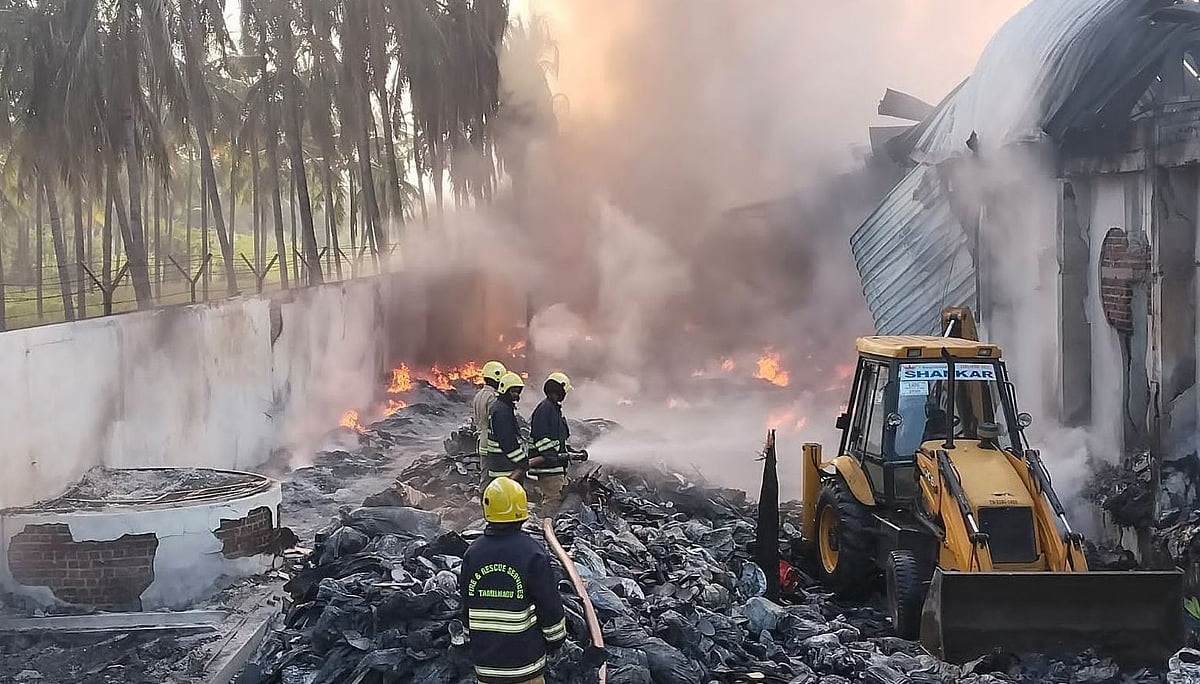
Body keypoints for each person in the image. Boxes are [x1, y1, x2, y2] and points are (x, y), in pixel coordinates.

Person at [460, 478, 567, 684]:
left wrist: (469, 639)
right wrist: (556, 639)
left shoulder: (473, 554)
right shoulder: (532, 553)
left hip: (486, 667)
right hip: (526, 666)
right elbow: (548, 605)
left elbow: (466, 604)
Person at [527, 372, 584, 516]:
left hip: (554, 466)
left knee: (556, 498)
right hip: (549, 467)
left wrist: (570, 452)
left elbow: (558, 440)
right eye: (565, 391)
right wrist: (554, 456)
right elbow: (542, 439)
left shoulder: (553, 408)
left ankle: (549, 523)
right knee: (553, 500)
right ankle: (548, 524)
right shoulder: (545, 409)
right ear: (559, 390)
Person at [484, 372, 529, 490]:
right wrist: (522, 460)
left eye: (518, 391)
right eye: (513, 391)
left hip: (500, 464)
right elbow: (507, 441)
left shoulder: (501, 407)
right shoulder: (502, 411)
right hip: (504, 467)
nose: (516, 395)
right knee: (509, 496)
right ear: (504, 390)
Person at [474, 361, 508, 486]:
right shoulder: (493, 397)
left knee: (485, 474)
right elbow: (496, 421)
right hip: (492, 443)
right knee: (494, 478)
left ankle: (482, 494)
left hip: (481, 440)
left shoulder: (478, 395)